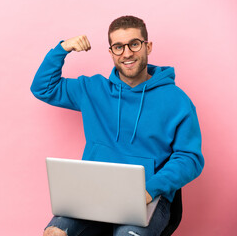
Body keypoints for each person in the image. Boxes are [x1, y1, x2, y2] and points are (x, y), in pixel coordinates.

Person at [31, 15, 204, 236]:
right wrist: (62, 48)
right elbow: (43, 88)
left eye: (134, 44)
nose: (127, 53)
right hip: (93, 190)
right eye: (118, 47)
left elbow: (190, 157)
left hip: (148, 194)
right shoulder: (92, 89)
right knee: (54, 233)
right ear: (111, 52)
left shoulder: (177, 100)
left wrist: (150, 189)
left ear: (147, 46)